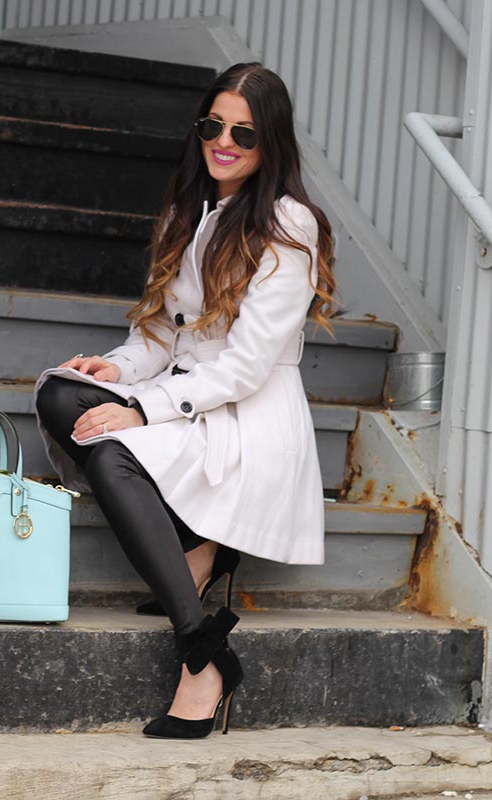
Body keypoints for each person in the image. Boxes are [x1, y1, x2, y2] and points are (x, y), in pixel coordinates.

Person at [34, 62, 336, 739]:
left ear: (272, 143)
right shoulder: (186, 209)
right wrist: (112, 369)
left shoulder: (289, 226)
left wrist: (141, 410)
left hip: (248, 416)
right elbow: (161, 337)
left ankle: (201, 651)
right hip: (186, 396)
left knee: (109, 452)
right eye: (213, 126)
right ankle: (197, 548)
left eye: (244, 133)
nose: (224, 142)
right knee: (63, 395)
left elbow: (245, 368)